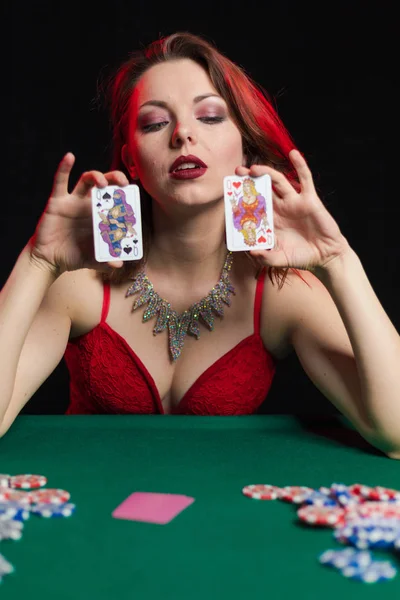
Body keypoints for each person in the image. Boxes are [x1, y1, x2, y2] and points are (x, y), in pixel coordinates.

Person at [0, 32, 399, 458]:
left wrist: (339, 260)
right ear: (131, 159)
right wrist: (37, 262)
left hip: (221, 516)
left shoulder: (281, 291)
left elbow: (395, 434)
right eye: (155, 123)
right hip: (84, 511)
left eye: (209, 117)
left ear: (244, 149)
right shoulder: (81, 279)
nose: (183, 134)